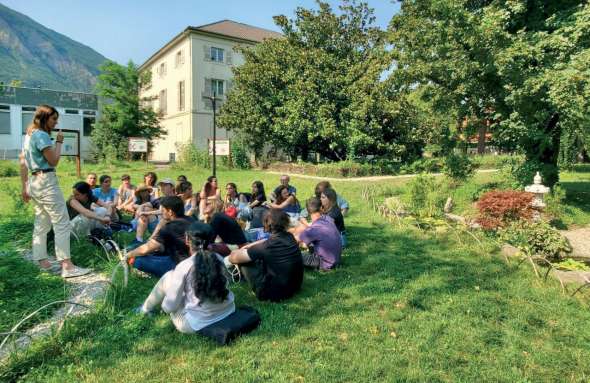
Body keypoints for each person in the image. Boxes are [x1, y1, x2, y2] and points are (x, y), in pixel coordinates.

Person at [19, 104, 91, 278]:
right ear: (44, 118)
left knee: (42, 222)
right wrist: (59, 142)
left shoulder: (29, 135)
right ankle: (67, 266)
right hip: (46, 181)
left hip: (34, 182)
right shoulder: (42, 135)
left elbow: (22, 162)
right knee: (62, 222)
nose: (56, 121)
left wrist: (24, 186)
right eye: (53, 118)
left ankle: (42, 261)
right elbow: (54, 161)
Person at [135, 221, 236, 334]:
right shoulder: (219, 259)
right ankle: (146, 308)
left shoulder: (184, 266)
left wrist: (168, 301)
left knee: (168, 277)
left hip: (196, 324)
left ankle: (145, 309)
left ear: (187, 240)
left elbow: (169, 308)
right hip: (228, 311)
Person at [226, 209, 303, 302]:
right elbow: (266, 241)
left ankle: (249, 284)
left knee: (244, 261)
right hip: (295, 287)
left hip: (274, 294)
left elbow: (233, 258)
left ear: (266, 225)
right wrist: (249, 245)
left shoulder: (267, 247)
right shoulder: (290, 237)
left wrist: (237, 252)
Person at [127, 196, 195, 277]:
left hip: (179, 266)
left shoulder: (169, 227)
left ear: (170, 212)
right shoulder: (192, 219)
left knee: (138, 260)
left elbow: (145, 249)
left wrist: (127, 256)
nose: (161, 212)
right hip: (194, 262)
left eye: (162, 210)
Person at [296, 197, 342, 270]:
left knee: (294, 255)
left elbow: (295, 240)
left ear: (307, 211)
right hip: (337, 259)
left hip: (324, 263)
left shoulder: (313, 229)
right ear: (321, 208)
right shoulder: (328, 219)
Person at [130, 178, 176, 248]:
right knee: (145, 209)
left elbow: (163, 213)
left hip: (170, 228)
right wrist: (141, 212)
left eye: (165, 185)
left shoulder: (176, 199)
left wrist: (147, 213)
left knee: (157, 217)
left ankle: (149, 239)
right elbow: (144, 205)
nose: (162, 188)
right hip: (158, 225)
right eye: (161, 186)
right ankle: (139, 239)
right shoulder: (161, 199)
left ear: (172, 187)